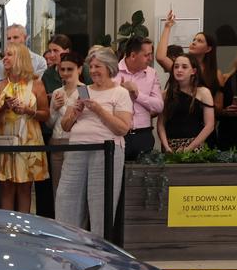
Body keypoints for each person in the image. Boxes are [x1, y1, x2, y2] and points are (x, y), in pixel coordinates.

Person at [56, 47, 133, 237]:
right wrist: (75, 112)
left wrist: (99, 110)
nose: (93, 70)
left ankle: (100, 249)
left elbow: (123, 128)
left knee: (101, 203)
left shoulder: (120, 93)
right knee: (66, 197)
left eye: (98, 66)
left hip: (106, 153)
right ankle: (68, 245)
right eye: (91, 66)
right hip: (76, 150)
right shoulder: (81, 91)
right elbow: (65, 126)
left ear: (109, 67)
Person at [0, 42, 50, 212]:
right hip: (6, 140)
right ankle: (8, 231)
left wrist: (28, 110)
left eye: (9, 55)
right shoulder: (0, 86)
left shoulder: (36, 84)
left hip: (29, 141)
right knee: (6, 188)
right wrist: (4, 108)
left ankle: (23, 231)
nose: (4, 58)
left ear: (20, 58)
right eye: (5, 55)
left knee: (25, 189)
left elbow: (46, 114)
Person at [157, 12, 222, 107]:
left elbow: (219, 106)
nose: (194, 43)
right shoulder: (181, 66)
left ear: (208, 49)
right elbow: (160, 57)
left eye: (199, 41)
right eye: (194, 40)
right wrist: (167, 27)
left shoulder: (216, 73)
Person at [115, 36, 163, 161]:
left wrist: (137, 95)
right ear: (133, 55)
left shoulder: (151, 73)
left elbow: (159, 105)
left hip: (144, 135)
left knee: (144, 178)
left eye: (151, 54)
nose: (150, 59)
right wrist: (120, 93)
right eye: (146, 55)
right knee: (116, 177)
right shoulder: (112, 72)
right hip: (118, 135)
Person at [156, 54, 216, 153]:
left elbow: (209, 125)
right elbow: (161, 124)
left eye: (184, 67)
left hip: (195, 145)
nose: (179, 70)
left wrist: (189, 148)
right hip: (170, 146)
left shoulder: (203, 92)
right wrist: (166, 146)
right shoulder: (166, 94)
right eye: (176, 67)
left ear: (193, 71)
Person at [48, 52, 85, 191]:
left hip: (75, 143)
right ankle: (58, 213)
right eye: (62, 69)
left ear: (79, 69)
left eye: (70, 69)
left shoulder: (84, 91)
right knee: (57, 187)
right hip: (56, 142)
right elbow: (50, 123)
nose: (65, 73)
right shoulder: (57, 92)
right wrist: (55, 109)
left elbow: (85, 121)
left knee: (75, 187)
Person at [0, 24, 47, 89]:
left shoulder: (40, 61)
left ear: (25, 38)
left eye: (15, 37)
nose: (11, 41)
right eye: (9, 38)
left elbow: (41, 87)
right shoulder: (1, 64)